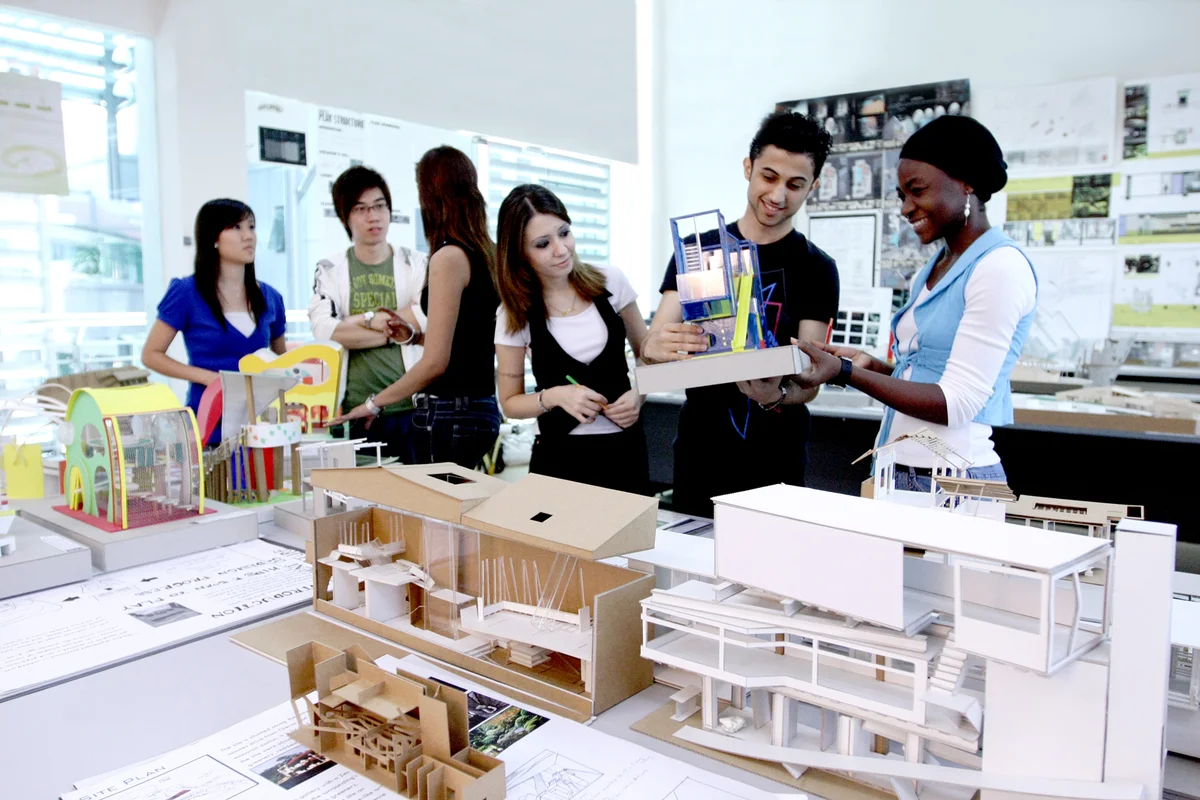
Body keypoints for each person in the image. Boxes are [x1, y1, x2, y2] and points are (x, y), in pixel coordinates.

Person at [793, 115, 1037, 487]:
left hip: (953, 481)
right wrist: (872, 367)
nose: (906, 208)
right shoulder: (935, 267)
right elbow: (929, 374)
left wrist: (845, 373)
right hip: (901, 474)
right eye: (901, 196)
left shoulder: (1000, 267)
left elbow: (957, 402)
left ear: (967, 182)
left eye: (917, 191)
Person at [641, 111, 840, 516]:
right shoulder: (698, 250)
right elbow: (650, 349)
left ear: (813, 187)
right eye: (769, 176)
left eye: (795, 184)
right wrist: (656, 345)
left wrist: (776, 395)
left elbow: (810, 379)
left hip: (776, 462)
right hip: (700, 453)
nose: (778, 195)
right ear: (748, 168)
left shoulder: (817, 268)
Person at [334, 146, 500, 469]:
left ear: (430, 196)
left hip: (450, 413)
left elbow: (435, 363)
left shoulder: (448, 257)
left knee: (433, 503)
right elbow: (468, 340)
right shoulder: (487, 252)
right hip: (479, 410)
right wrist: (413, 337)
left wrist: (374, 403)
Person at [494, 184, 650, 494]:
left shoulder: (611, 281)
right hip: (559, 459)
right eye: (543, 244)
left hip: (625, 452)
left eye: (564, 233)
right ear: (519, 253)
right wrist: (555, 396)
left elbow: (649, 354)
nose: (561, 249)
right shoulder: (514, 312)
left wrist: (639, 394)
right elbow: (510, 403)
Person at [309, 166, 428, 461]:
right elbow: (325, 329)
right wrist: (396, 333)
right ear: (345, 217)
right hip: (357, 409)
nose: (373, 216)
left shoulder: (416, 263)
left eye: (379, 206)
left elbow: (424, 316)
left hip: (411, 407)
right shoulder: (330, 269)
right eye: (361, 209)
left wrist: (357, 321)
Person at [142, 199, 286, 442]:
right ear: (213, 238)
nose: (248, 236)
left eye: (251, 227)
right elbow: (151, 355)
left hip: (261, 429)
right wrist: (208, 378)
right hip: (207, 426)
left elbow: (282, 360)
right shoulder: (186, 292)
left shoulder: (271, 297)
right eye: (236, 227)